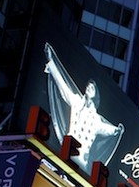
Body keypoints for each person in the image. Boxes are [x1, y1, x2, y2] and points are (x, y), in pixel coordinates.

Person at [44, 42, 125, 173]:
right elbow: (63, 86)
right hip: (67, 147)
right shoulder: (77, 101)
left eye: (92, 87)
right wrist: (52, 62)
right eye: (88, 85)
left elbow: (108, 130)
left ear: (95, 94)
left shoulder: (97, 120)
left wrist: (117, 130)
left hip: (82, 159)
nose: (88, 87)